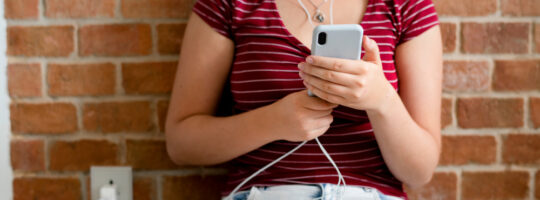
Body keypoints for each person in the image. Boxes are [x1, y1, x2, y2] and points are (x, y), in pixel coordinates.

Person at [165, 0, 442, 199]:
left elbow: (419, 171)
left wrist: (382, 100)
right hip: (265, 193)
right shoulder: (228, 4)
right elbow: (182, 144)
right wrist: (274, 121)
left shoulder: (407, 6)